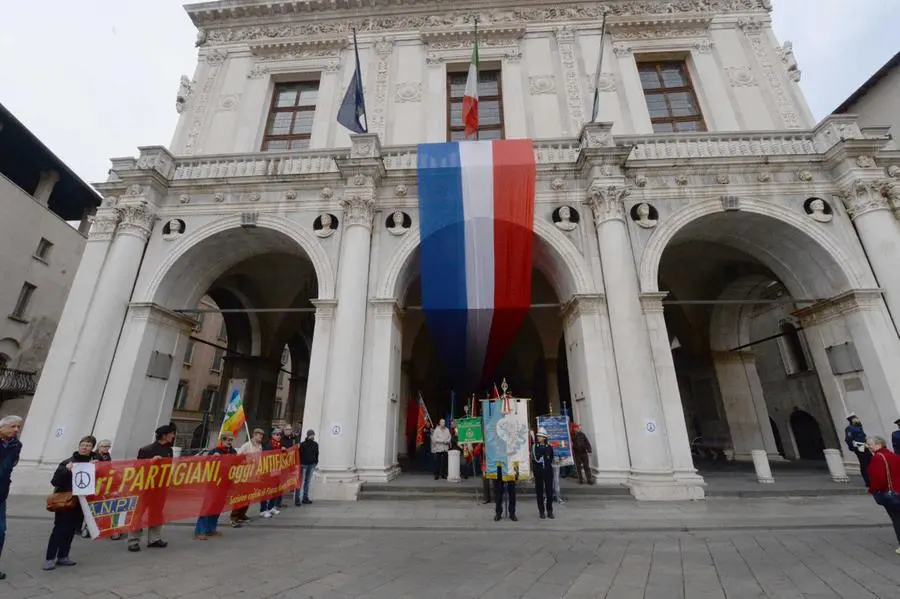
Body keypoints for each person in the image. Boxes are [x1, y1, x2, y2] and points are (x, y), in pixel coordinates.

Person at [43, 435, 96, 570]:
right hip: (66, 501)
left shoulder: (94, 462)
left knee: (72, 529)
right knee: (60, 529)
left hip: (82, 502)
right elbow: (55, 481)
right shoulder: (67, 462)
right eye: (83, 444)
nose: (85, 447)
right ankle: (50, 558)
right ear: (79, 446)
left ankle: (63, 556)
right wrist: (66, 470)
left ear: (92, 448)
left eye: (88, 445)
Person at [127, 424, 175, 552]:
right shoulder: (146, 450)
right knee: (139, 513)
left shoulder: (169, 450)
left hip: (160, 487)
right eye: (171, 433)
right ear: (164, 435)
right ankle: (133, 541)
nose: (173, 436)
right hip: (145, 487)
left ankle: (154, 539)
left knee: (157, 512)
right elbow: (137, 468)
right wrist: (150, 462)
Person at [195, 432, 236, 539]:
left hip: (225, 483)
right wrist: (213, 459)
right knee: (207, 507)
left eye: (231, 440)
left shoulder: (233, 451)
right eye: (228, 440)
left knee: (217, 507)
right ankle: (200, 531)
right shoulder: (214, 451)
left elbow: (237, 465)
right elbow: (205, 466)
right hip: (213, 483)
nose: (230, 442)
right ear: (222, 440)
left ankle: (211, 529)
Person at [865, 436, 900, 555]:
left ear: (879, 444)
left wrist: (874, 490)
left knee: (897, 519)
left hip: (890, 494)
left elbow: (878, 479)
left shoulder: (878, 458)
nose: (868, 446)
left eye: (870, 444)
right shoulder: (894, 456)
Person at [0, 415, 23, 580]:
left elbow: (11, 465)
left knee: (1, 532)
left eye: (18, 427)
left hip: (1, 493)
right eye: (12, 426)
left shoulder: (16, 444)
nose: (16, 430)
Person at [83, 439, 117, 539]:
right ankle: (88, 528)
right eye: (104, 446)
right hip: (96, 484)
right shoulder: (94, 456)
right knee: (94, 507)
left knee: (105, 506)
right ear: (98, 447)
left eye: (108, 446)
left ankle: (102, 527)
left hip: (105, 484)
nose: (106, 448)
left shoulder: (107, 456)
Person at [232, 428, 264, 524]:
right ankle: (234, 516)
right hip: (244, 475)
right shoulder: (246, 445)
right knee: (240, 496)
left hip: (253, 475)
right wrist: (245, 461)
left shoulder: (260, 446)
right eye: (259, 435)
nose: (261, 437)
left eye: (262, 435)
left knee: (248, 496)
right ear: (254, 435)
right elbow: (238, 457)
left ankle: (242, 513)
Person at [260, 429, 284, 517]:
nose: (279, 436)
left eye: (280, 434)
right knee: (266, 491)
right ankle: (263, 509)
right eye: (277, 434)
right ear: (273, 435)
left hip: (276, 470)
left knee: (276, 489)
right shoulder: (268, 445)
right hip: (268, 471)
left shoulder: (279, 445)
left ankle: (271, 507)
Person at [533, 428, 555, 519]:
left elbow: (551, 458)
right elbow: (534, 459)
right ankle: (541, 511)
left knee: (549, 492)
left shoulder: (549, 447)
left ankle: (549, 511)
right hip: (538, 472)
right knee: (539, 492)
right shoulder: (535, 446)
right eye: (538, 436)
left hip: (548, 472)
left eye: (540, 436)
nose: (538, 437)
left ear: (544, 437)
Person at [845, 413, 871, 486]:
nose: (858, 419)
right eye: (856, 418)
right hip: (860, 448)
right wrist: (861, 445)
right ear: (852, 420)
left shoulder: (859, 427)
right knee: (864, 464)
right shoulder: (850, 428)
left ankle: (873, 478)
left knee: (870, 461)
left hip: (865, 447)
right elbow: (849, 440)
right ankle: (868, 482)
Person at [298, 430, 319, 505]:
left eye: (313, 435)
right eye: (312, 435)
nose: (313, 436)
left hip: (310, 464)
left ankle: (304, 497)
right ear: (308, 435)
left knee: (306, 481)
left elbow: (317, 454)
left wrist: (316, 462)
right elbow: (300, 454)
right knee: (303, 481)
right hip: (304, 465)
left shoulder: (315, 444)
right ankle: (300, 498)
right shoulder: (303, 444)